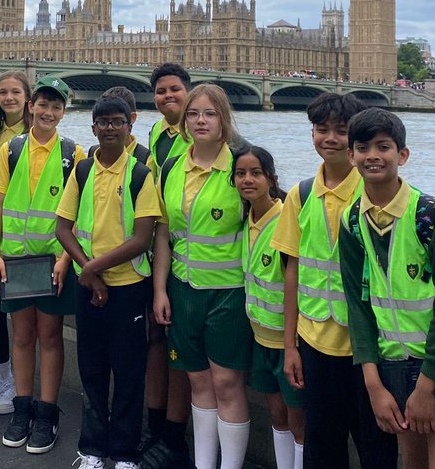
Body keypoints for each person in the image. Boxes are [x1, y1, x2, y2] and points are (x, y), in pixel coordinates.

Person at [339, 109, 435, 469]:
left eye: (384, 147)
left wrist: (427, 385)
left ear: (403, 155)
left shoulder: (429, 216)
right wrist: (373, 384)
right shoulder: (352, 221)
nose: (373, 156)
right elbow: (358, 305)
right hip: (390, 365)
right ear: (351, 156)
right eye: (363, 148)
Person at [271, 93, 396, 469]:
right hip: (315, 343)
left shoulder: (377, 191)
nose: (329, 138)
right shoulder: (302, 194)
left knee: (376, 448)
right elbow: (292, 270)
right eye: (320, 129)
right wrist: (289, 345)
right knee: (322, 449)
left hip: (370, 348)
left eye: (340, 131)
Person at [56, 95, 159, 469]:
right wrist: (89, 272)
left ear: (129, 127)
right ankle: (93, 447)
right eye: (104, 122)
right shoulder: (81, 170)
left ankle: (126, 451)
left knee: (129, 372)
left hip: (129, 287)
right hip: (89, 285)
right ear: (93, 127)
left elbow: (142, 237)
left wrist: (90, 268)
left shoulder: (140, 174)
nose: (110, 128)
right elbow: (63, 227)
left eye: (118, 122)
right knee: (92, 369)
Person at [152, 83, 251, 469]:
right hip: (183, 289)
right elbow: (164, 233)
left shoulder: (242, 167)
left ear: (224, 121)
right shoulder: (173, 167)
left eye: (209, 114)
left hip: (229, 293)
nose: (200, 121)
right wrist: (160, 289)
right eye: (193, 114)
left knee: (226, 384)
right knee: (197, 382)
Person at [0, 76, 84, 455]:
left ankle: (47, 412)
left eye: (56, 106)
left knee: (50, 336)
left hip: (51, 261)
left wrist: (66, 259)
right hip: (14, 259)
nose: (48, 111)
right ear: (31, 106)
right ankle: (22, 406)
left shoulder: (73, 154)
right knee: (22, 335)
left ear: (64, 111)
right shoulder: (10, 150)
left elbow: (77, 213)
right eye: (42, 104)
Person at [233, 145, 306, 469]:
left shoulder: (285, 221)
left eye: (256, 173)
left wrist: (293, 344)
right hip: (259, 337)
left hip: (287, 341)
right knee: (277, 414)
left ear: (271, 179)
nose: (247, 180)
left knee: (298, 419)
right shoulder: (245, 220)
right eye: (240, 174)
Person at [142, 62, 194, 469]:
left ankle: (174, 437)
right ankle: (154, 427)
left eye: (175, 90)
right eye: (161, 92)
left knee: (177, 351)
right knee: (156, 345)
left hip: (190, 262)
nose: (168, 97)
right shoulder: (157, 132)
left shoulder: (207, 132)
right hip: (156, 251)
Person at [0, 70, 31, 151]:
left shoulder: (35, 135)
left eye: (16, 92)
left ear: (27, 96)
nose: (9, 98)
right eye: (3, 92)